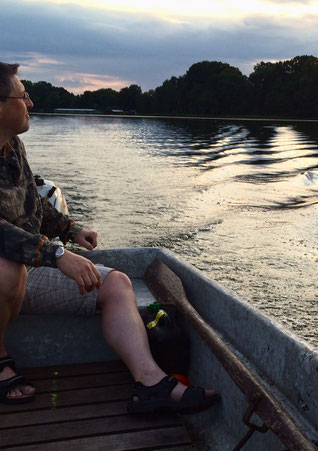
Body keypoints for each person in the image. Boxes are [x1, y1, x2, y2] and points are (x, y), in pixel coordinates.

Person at [0, 62, 218, 413]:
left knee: (116, 283)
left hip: (27, 270)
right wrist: (57, 254)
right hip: (9, 272)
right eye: (24, 96)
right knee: (6, 268)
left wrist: (71, 231)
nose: (31, 104)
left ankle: (149, 383)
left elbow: (33, 207)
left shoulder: (13, 148)